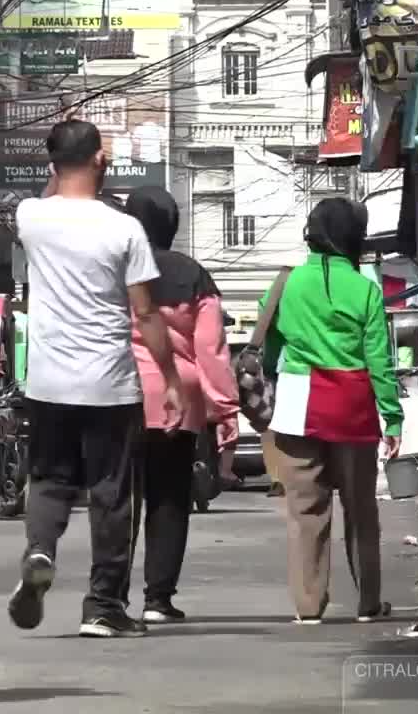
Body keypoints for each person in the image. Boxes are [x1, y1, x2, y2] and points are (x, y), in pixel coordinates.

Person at [6, 119, 181, 639]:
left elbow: (49, 192)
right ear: (101, 161)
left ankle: (40, 548)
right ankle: (103, 605)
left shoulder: (31, 216)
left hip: (48, 383)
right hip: (109, 384)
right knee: (113, 495)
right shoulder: (123, 229)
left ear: (52, 165)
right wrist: (169, 376)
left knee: (50, 479)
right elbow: (146, 313)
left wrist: (59, 171)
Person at [262, 198, 400, 625]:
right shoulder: (365, 290)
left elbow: (269, 348)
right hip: (351, 406)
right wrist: (392, 417)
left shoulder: (288, 283)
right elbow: (379, 361)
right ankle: (368, 603)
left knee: (306, 510)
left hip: (298, 405)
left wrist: (273, 375)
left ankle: (308, 606)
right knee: (361, 509)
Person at [121, 186, 241, 623]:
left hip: (120, 395)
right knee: (169, 498)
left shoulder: (112, 269)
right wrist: (225, 410)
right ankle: (158, 599)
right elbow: (210, 348)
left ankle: (111, 597)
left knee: (120, 498)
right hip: (179, 400)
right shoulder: (193, 275)